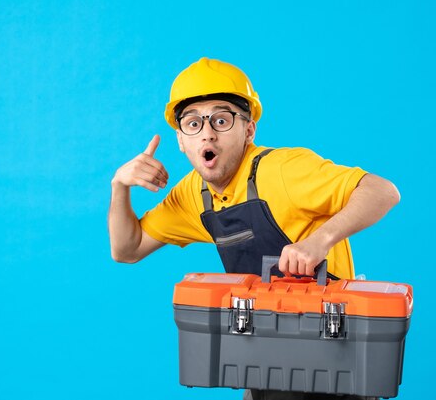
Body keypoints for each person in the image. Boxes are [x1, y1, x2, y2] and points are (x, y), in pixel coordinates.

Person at [108, 57, 399, 400]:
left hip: (334, 366)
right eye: (193, 123)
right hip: (266, 364)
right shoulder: (193, 195)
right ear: (181, 140)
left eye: (221, 119)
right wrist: (119, 186)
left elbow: (383, 191)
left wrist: (320, 241)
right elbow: (127, 249)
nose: (208, 132)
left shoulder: (282, 171)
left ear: (249, 130)